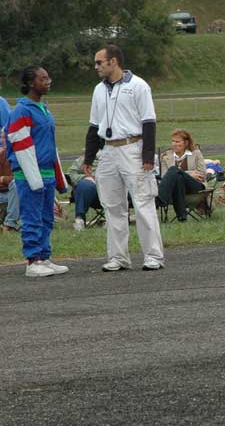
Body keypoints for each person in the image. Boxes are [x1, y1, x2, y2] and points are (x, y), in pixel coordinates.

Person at [83, 44, 165, 272]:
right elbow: (94, 125)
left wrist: (147, 155)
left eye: (100, 62)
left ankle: (153, 256)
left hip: (133, 147)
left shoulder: (139, 86)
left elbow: (149, 122)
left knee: (143, 202)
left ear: (114, 61)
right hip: (108, 150)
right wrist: (88, 158)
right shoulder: (98, 90)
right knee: (112, 206)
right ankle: (118, 257)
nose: (96, 66)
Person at [7, 66, 69, 278]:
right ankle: (32, 261)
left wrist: (59, 177)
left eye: (48, 77)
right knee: (32, 217)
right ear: (31, 83)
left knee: (46, 218)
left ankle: (44, 257)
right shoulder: (21, 111)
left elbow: (51, 144)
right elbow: (21, 145)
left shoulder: (44, 108)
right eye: (43, 78)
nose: (48, 81)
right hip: (29, 175)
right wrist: (34, 178)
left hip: (48, 173)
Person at [158, 129, 207, 221]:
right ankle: (182, 217)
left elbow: (202, 174)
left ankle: (161, 199)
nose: (174, 144)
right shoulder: (166, 157)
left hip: (195, 185)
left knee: (173, 170)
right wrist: (190, 173)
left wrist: (183, 173)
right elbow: (165, 178)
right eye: (173, 141)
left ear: (186, 143)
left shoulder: (196, 154)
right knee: (179, 178)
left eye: (177, 141)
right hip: (176, 187)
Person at [0, 94, 20, 233]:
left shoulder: (1, 103)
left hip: (11, 193)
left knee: (17, 185)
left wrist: (3, 179)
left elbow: (18, 179)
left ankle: (9, 224)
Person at [68, 157, 102, 230]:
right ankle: (80, 219)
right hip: (91, 193)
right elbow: (70, 174)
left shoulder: (117, 156)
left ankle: (116, 219)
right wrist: (85, 177)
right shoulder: (83, 159)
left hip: (111, 191)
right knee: (85, 184)